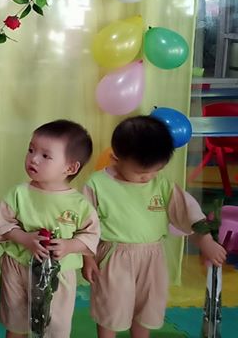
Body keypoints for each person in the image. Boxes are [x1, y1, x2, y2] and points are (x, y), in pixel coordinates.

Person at [83, 116, 227, 338]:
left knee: (147, 309)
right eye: (141, 173)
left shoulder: (162, 186)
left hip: (153, 257)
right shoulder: (97, 184)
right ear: (115, 158)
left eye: (155, 171)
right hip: (114, 257)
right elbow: (85, 225)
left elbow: (189, 212)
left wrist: (206, 241)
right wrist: (88, 258)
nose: (148, 177)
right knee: (110, 309)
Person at [0, 120, 99, 338]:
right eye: (31, 150)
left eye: (45, 156)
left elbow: (90, 234)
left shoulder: (79, 204)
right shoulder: (19, 193)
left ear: (70, 168)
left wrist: (69, 245)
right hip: (17, 267)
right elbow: (0, 223)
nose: (33, 159)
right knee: (16, 322)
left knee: (54, 325)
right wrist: (24, 238)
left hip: (56, 275)